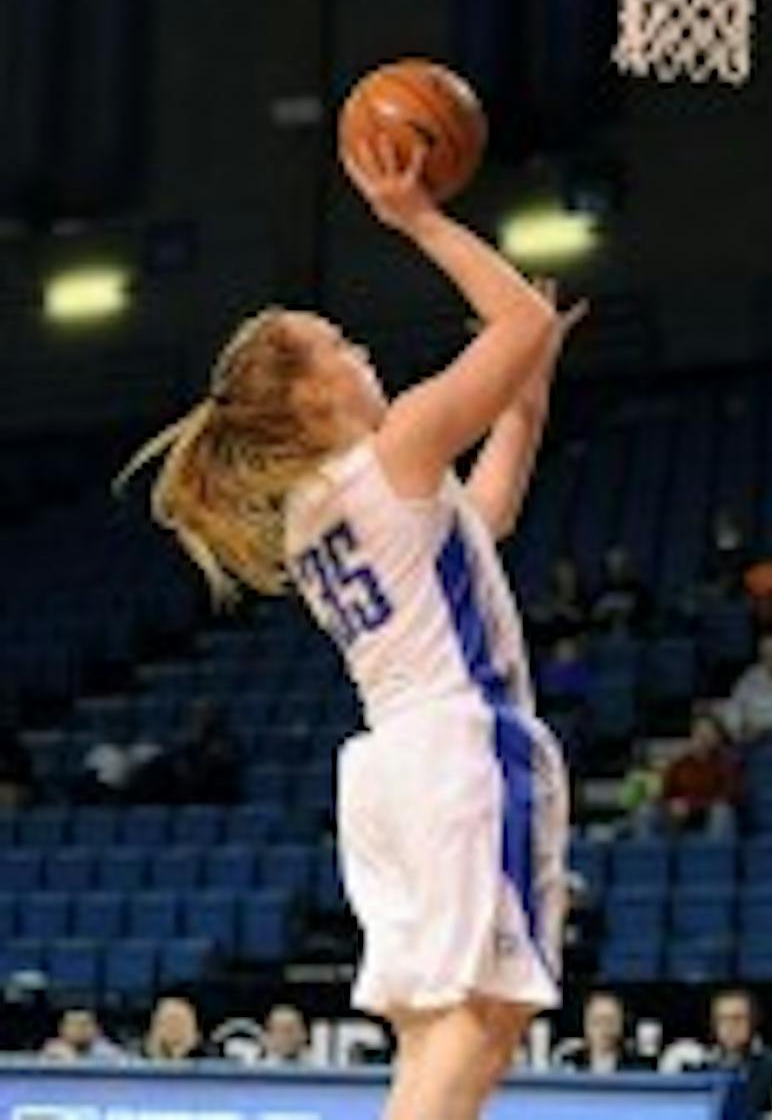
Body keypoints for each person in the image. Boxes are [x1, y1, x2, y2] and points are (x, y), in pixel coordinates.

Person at [118, 136, 584, 1120]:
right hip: (461, 745)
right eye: (339, 343)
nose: (361, 350)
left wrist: (525, 398)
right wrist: (415, 218)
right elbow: (520, 318)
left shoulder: (325, 503)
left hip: (390, 769)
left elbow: (482, 522)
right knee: (485, 1017)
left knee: (439, 1030)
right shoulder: (396, 452)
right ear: (309, 393)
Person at [686, 988, 772, 1119]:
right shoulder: (702, 1066)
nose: (729, 1026)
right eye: (722, 1019)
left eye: (737, 1019)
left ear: (753, 1020)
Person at [662, 715, 743, 837]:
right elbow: (666, 793)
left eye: (708, 734)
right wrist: (673, 803)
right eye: (699, 733)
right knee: (646, 812)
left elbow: (730, 795)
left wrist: (693, 806)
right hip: (682, 817)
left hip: (711, 814)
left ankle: (714, 854)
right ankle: (648, 855)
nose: (703, 738)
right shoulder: (680, 764)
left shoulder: (728, 763)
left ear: (717, 738)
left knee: (721, 811)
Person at [558, 991, 654, 1073]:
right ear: (586, 1025)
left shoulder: (637, 1068)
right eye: (598, 1021)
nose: (604, 1028)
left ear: (621, 1025)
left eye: (610, 1021)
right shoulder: (569, 1064)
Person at [589, 544, 652, 635]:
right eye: (611, 565)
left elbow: (648, 618)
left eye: (620, 565)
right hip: (604, 640)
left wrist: (630, 610)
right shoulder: (599, 592)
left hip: (634, 640)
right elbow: (592, 619)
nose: (616, 570)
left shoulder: (640, 592)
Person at [41, 1007, 127, 1063]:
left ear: (97, 1029)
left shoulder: (111, 1053)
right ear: (62, 1029)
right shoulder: (52, 1052)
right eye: (74, 1024)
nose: (80, 1030)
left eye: (85, 1024)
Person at [144, 996, 215, 1062]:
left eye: (180, 1022)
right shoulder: (138, 1060)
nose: (174, 1027)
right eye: (169, 1021)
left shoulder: (210, 1062)